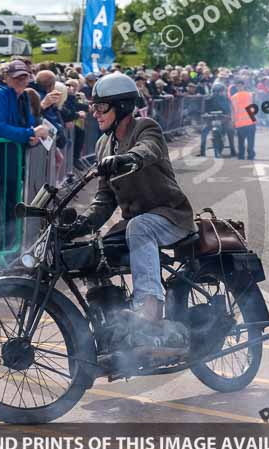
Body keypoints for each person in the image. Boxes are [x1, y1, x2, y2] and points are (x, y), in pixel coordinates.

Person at [69, 72, 194, 356]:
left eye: (101, 107)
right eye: (93, 107)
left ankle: (151, 315)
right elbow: (104, 199)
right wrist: (83, 223)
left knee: (138, 227)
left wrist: (128, 159)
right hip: (135, 222)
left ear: (122, 106)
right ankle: (112, 323)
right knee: (94, 249)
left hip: (170, 215)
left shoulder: (146, 127)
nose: (95, 113)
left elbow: (147, 150)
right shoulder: (103, 145)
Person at [0, 60, 49, 252]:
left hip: (12, 166)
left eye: (24, 76)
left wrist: (30, 136)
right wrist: (28, 134)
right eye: (16, 76)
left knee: (11, 215)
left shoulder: (24, 97)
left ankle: (6, 262)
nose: (21, 80)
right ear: (6, 77)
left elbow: (27, 124)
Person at [199, 83, 234, 158]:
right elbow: (203, 111)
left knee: (230, 130)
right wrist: (205, 115)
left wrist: (227, 117)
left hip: (223, 119)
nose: (218, 93)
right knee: (204, 131)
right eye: (216, 91)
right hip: (210, 120)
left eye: (220, 91)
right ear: (213, 91)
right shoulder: (208, 99)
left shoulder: (226, 99)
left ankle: (233, 150)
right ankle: (202, 151)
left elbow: (229, 111)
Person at [230, 79, 256, 160]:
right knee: (250, 140)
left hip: (240, 122)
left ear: (237, 87)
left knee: (241, 141)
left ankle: (241, 155)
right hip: (250, 120)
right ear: (244, 86)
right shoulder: (250, 95)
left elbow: (233, 110)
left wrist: (233, 121)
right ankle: (250, 154)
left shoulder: (233, 97)